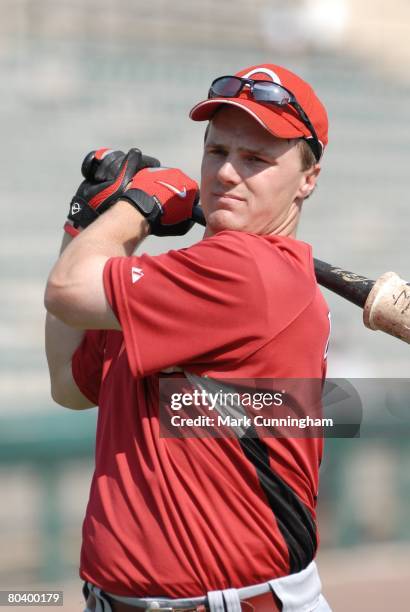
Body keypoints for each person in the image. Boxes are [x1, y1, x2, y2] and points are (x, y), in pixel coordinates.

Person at [44, 63, 332, 611]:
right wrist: (85, 223)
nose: (225, 175)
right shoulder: (184, 284)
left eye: (256, 160)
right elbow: (69, 385)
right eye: (218, 151)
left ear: (308, 179)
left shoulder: (247, 272)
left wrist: (136, 207)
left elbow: (66, 291)